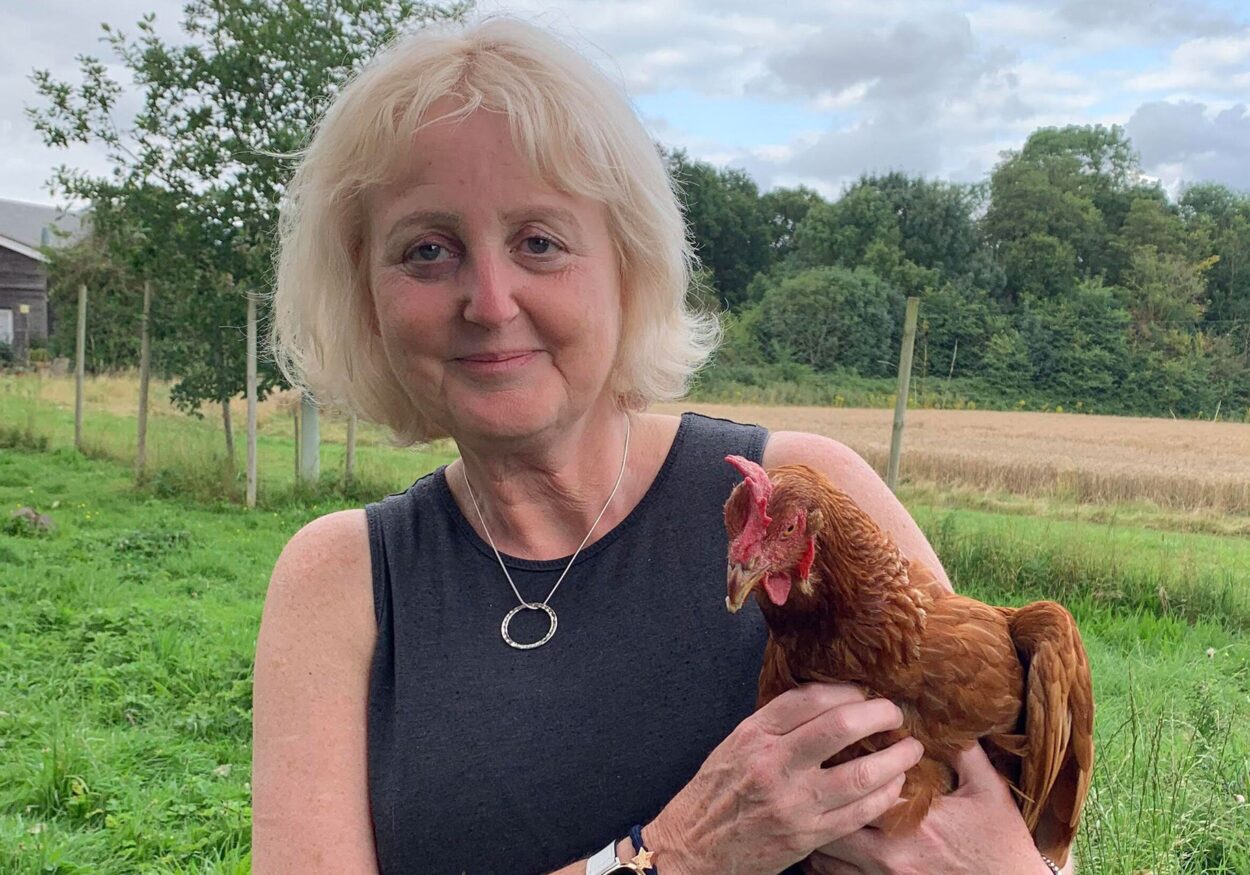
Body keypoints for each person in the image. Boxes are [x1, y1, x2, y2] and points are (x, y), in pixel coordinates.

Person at [251, 15, 1064, 875]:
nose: (488, 301)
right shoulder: (340, 584)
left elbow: (1014, 832)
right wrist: (673, 856)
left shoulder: (807, 497)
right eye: (427, 249)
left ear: (626, 263)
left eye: (539, 241)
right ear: (364, 291)